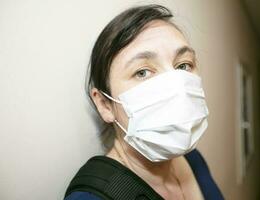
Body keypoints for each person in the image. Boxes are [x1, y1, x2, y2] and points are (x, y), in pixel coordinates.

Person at [64, 4, 224, 200]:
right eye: (142, 72)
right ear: (105, 105)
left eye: (183, 65)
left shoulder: (192, 158)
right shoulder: (90, 198)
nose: (176, 86)